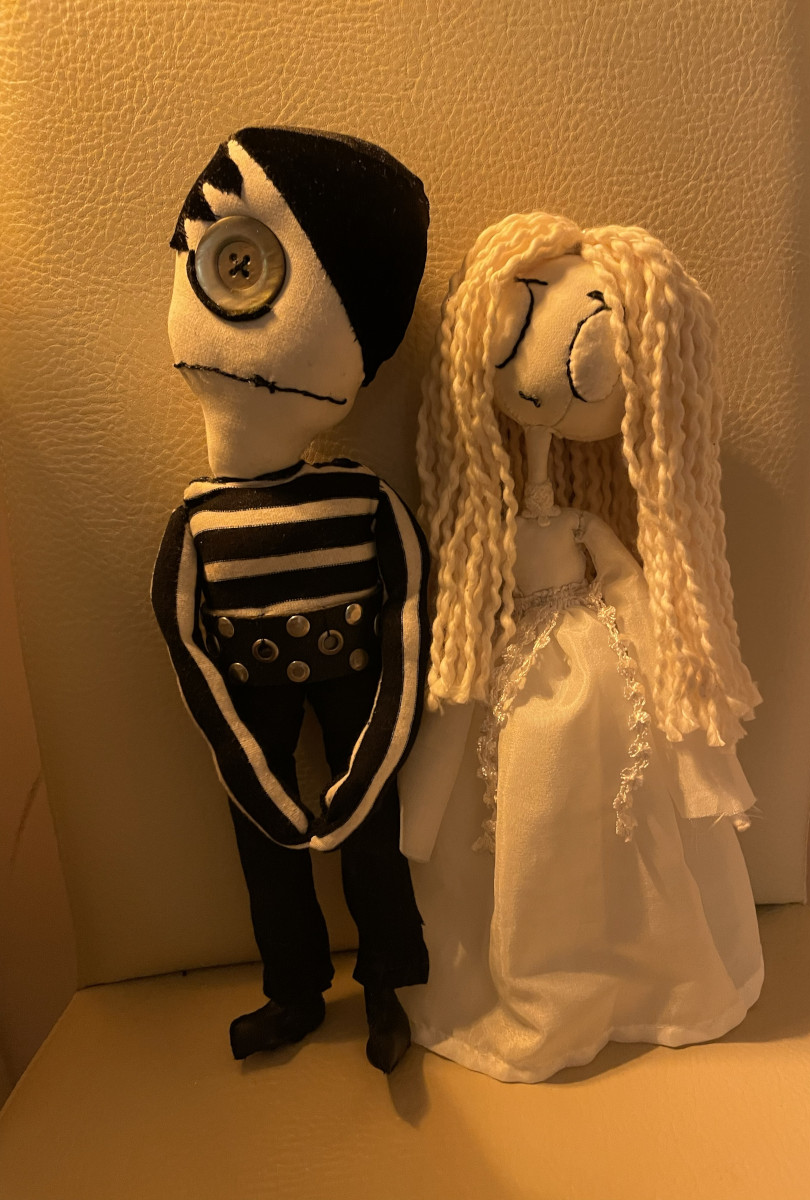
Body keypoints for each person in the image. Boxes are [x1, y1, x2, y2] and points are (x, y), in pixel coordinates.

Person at [400, 211, 764, 1082]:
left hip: (596, 652)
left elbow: (633, 584)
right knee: (496, 793)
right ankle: (510, 965)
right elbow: (460, 617)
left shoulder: (583, 525)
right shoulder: (483, 531)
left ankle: (641, 972)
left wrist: (682, 673)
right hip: (505, 646)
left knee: (618, 795)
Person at [152, 126, 430, 1073]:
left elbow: (410, 622)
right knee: (263, 847)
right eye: (218, 259)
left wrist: (374, 759)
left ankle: (387, 980)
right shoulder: (196, 524)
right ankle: (294, 989)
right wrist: (251, 772)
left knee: (374, 836)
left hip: (356, 691)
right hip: (253, 704)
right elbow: (188, 650)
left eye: (253, 267)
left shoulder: (363, 499)